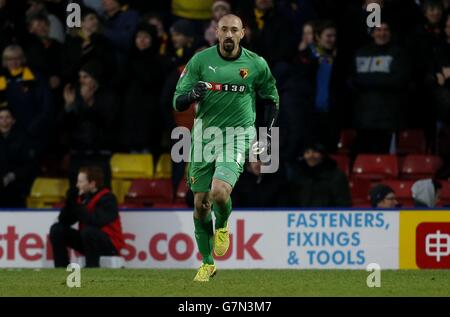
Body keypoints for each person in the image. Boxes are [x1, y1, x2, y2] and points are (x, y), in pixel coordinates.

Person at [173, 14, 279, 281]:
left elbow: (271, 99)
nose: (229, 34)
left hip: (237, 135)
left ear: (243, 33)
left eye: (234, 29)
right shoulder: (200, 61)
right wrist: (191, 96)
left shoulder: (256, 64)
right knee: (200, 204)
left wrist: (264, 138)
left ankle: (222, 226)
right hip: (204, 137)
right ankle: (207, 263)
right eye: (224, 29)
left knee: (219, 193)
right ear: (216, 32)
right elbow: (177, 101)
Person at [49, 166, 124, 268]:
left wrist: (77, 206)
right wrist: (71, 201)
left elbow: (95, 221)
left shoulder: (108, 199)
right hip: (88, 241)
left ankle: (92, 268)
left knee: (89, 231)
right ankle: (61, 268)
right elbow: (64, 220)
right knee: (57, 229)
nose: (77, 185)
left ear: (92, 183)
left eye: (80, 182)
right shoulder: (83, 198)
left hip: (109, 245)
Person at [285, 143, 351, 207]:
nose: (311, 156)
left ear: (322, 155)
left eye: (315, 152)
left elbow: (343, 204)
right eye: (307, 152)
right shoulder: (298, 176)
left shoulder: (336, 176)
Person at [0, 105, 37, 207]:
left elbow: (29, 165)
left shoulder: (22, 139)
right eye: (1, 117)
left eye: (7, 117)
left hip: (16, 189)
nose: (4, 121)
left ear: (13, 120)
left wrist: (12, 176)